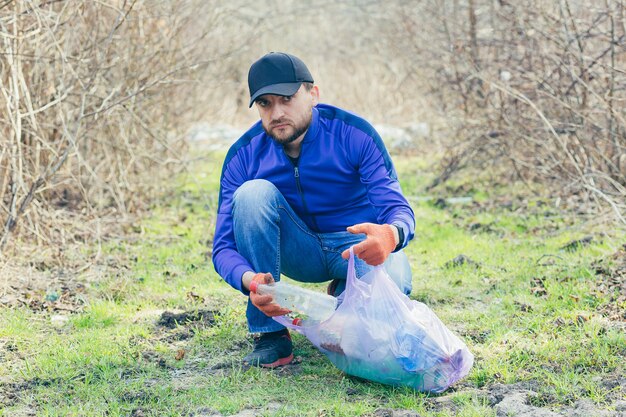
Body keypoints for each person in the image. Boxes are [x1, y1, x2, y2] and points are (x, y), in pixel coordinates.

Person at [212, 52, 415, 368]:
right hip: (298, 250)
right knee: (252, 194)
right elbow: (223, 248)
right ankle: (271, 335)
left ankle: (346, 295)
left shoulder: (354, 134)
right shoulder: (243, 155)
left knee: (393, 290)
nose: (277, 112)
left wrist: (389, 235)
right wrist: (250, 281)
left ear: (313, 94)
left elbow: (399, 210)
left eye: (287, 99)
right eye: (265, 103)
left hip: (357, 249)